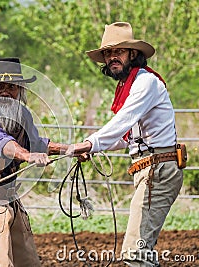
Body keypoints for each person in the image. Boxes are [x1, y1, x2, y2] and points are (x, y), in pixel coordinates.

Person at [70, 22, 183, 266]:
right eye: (108, 54)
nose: (112, 58)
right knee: (140, 250)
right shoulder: (131, 85)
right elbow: (126, 136)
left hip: (158, 169)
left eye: (118, 52)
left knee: (135, 252)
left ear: (133, 54)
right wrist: (93, 147)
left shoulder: (145, 83)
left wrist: (91, 143)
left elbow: (123, 121)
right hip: (152, 169)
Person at [0, 57, 69, 267]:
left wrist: (71, 150)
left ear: (20, 90)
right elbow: (4, 144)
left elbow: (37, 143)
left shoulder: (22, 115)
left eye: (12, 87)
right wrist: (27, 156)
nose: (6, 92)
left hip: (12, 200)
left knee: (29, 264)